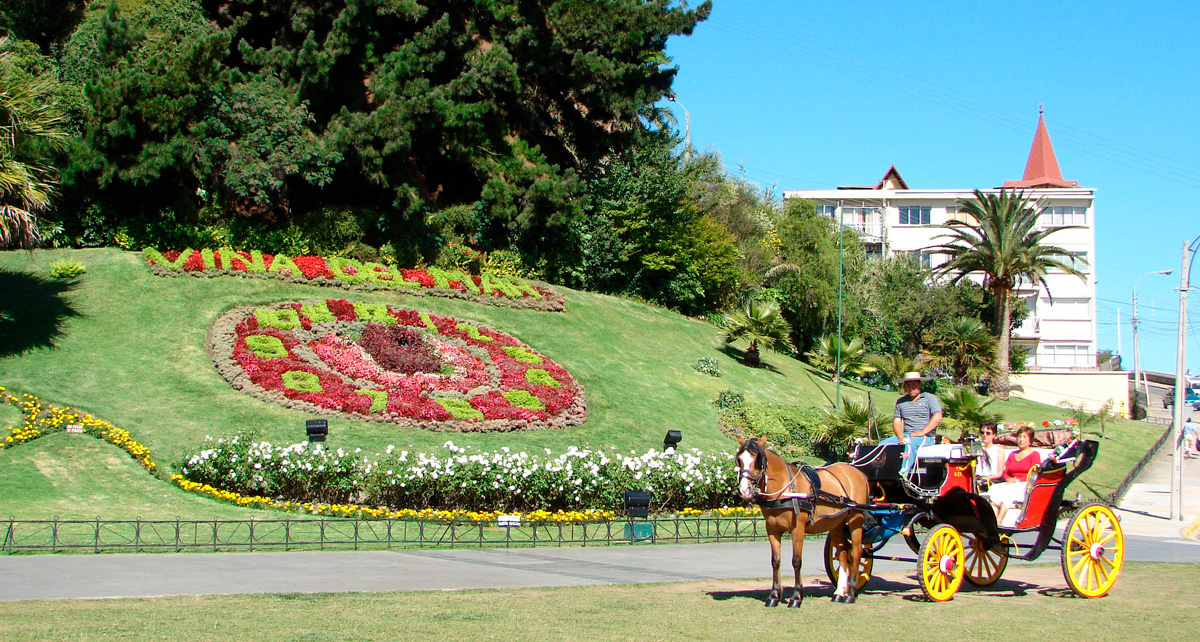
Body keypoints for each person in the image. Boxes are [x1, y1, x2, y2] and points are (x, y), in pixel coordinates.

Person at [878, 372, 942, 474]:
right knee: (882, 445)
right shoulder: (901, 402)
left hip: (926, 436)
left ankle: (903, 473)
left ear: (920, 385)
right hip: (906, 435)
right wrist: (900, 437)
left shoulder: (929, 398)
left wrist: (921, 432)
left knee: (909, 445)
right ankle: (882, 473)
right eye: (908, 385)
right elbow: (896, 421)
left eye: (914, 385)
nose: (911, 388)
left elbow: (937, 416)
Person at [984, 426, 1042, 526]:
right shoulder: (1012, 455)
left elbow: (1034, 473)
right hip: (1011, 483)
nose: (1021, 439)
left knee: (1008, 492)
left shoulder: (1034, 455)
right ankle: (992, 520)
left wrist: (1019, 480)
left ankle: (999, 520)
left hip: (1025, 484)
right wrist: (1009, 479)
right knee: (994, 489)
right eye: (1019, 437)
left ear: (1030, 441)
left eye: (1024, 437)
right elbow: (1006, 472)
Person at [974, 420, 1005, 489]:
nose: (985, 435)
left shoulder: (999, 450)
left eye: (988, 433)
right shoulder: (977, 449)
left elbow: (1000, 473)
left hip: (993, 481)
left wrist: (988, 478)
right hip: (978, 480)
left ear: (994, 435)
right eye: (982, 433)